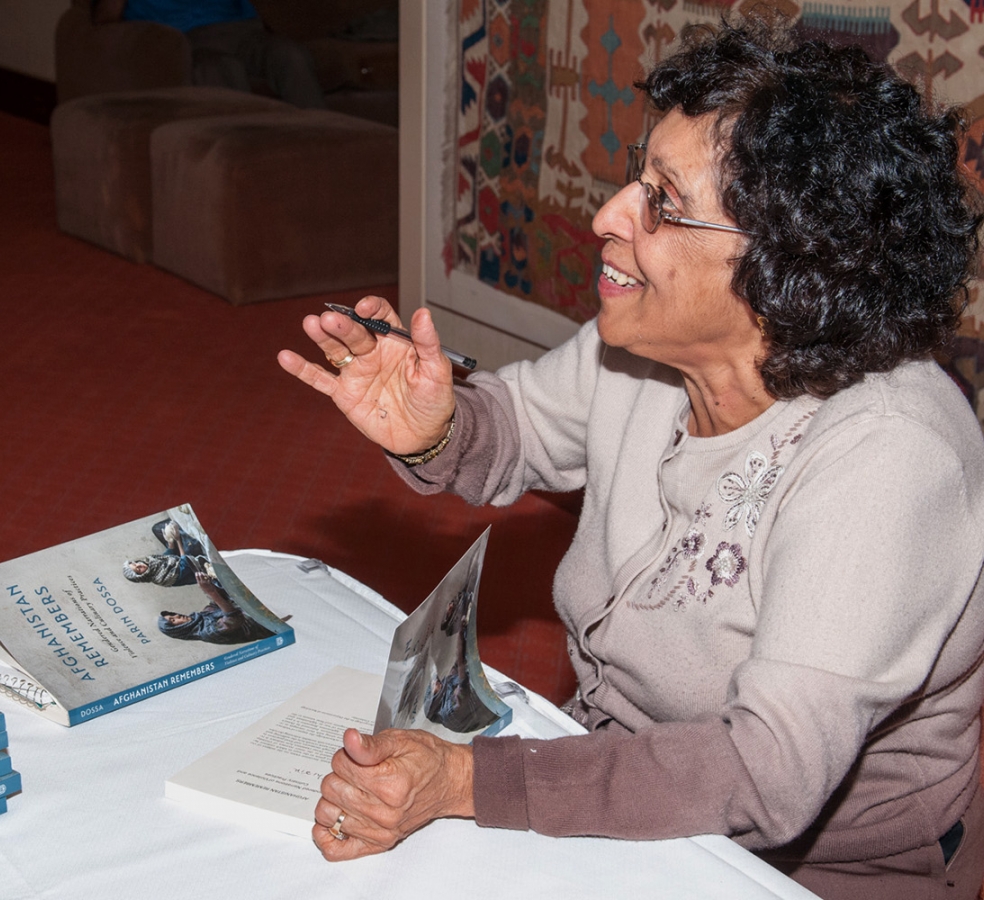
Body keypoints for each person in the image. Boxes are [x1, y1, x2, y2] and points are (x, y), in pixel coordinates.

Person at [277, 18, 984, 900]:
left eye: (662, 200)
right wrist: (436, 426)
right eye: (633, 176)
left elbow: (766, 772)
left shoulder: (889, 457)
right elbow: (521, 428)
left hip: (804, 872)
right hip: (610, 786)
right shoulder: (650, 349)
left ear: (789, 266)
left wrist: (468, 782)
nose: (609, 214)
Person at [92, 0, 326, 109]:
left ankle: (322, 150)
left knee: (291, 55)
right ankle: (246, 164)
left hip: (242, 29)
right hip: (189, 37)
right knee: (222, 69)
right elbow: (103, 16)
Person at [157, 572, 278, 644]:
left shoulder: (201, 617)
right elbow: (234, 618)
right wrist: (211, 591)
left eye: (173, 615)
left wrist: (206, 584)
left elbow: (214, 604)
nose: (177, 616)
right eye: (173, 620)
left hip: (257, 610)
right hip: (268, 623)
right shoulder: (207, 633)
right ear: (177, 630)